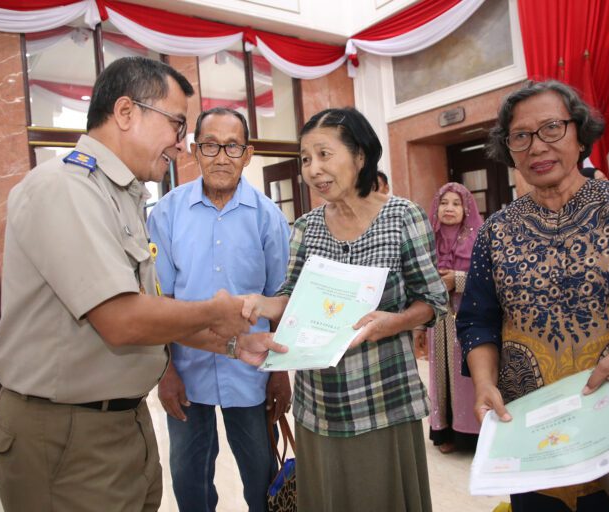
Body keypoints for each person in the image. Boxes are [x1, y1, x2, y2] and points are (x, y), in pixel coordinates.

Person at [0, 57, 286, 512]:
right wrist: (216, 313)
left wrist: (231, 347)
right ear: (126, 112)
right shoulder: (68, 189)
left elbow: (149, 311)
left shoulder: (122, 197)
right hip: (67, 434)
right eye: (177, 124)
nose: (181, 145)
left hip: (119, 423)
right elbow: (123, 320)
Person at [457, 80, 609, 512]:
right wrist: (484, 383)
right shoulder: (495, 231)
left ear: (580, 134)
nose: (536, 146)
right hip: (532, 434)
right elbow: (477, 320)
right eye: (520, 136)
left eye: (551, 128)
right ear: (508, 148)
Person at [243, 107, 448, 511]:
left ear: (359, 156)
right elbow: (290, 298)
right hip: (320, 403)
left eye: (324, 154)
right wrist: (261, 303)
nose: (313, 168)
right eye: (305, 158)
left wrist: (397, 322)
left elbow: (434, 301)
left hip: (384, 396)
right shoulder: (305, 227)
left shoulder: (402, 217)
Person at [147, 107, 291, 512]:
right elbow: (160, 304)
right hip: (186, 374)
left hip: (253, 373)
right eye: (211, 145)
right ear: (195, 150)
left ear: (248, 154)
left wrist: (279, 375)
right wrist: (167, 371)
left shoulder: (268, 218)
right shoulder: (167, 213)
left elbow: (281, 299)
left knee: (262, 479)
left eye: (233, 146)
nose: (222, 156)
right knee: (190, 482)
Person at [414, 182, 483, 454]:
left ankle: (473, 433)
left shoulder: (478, 237)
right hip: (439, 319)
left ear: (466, 208)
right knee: (442, 375)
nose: (449, 208)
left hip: (470, 316)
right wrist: (419, 325)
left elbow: (488, 278)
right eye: (444, 203)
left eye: (456, 203)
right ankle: (446, 432)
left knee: (468, 376)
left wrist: (458, 279)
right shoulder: (429, 240)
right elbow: (418, 283)